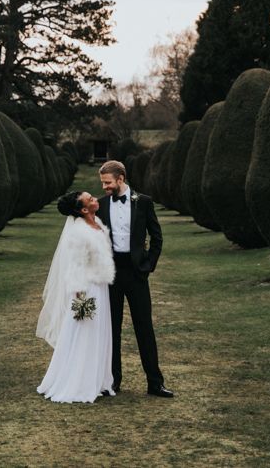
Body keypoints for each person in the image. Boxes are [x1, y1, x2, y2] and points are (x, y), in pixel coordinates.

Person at [97, 160, 174, 397]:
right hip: (111, 273)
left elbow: (157, 237)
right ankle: (112, 382)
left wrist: (148, 264)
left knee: (144, 327)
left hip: (136, 272)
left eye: (108, 183)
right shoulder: (99, 205)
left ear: (121, 179)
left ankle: (155, 382)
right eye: (102, 183)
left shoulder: (144, 202)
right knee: (112, 329)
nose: (105, 187)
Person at [36, 190, 116, 403]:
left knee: (99, 331)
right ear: (83, 209)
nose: (95, 199)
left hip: (100, 285)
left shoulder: (97, 222)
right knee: (84, 331)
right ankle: (77, 382)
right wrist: (80, 297)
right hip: (86, 287)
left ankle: (98, 379)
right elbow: (75, 265)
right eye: (90, 199)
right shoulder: (79, 232)